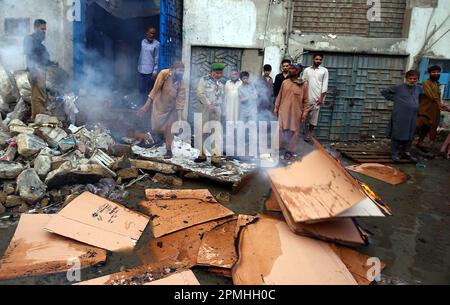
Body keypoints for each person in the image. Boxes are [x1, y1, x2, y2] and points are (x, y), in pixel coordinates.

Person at [137, 61, 186, 159]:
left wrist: (180, 119)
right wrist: (146, 105)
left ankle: (169, 150)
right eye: (179, 70)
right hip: (159, 107)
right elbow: (155, 89)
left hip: (171, 110)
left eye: (183, 71)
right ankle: (151, 138)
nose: (181, 73)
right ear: (173, 69)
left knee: (169, 129)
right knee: (157, 128)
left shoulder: (181, 82)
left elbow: (181, 101)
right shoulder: (164, 74)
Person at [381, 70, 422, 162]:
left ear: (417, 79)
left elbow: (421, 97)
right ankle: (394, 153)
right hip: (400, 114)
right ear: (406, 78)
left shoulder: (419, 88)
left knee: (410, 134)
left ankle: (407, 152)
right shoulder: (398, 87)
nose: (412, 80)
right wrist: (395, 99)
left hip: (413, 115)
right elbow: (384, 92)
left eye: (414, 79)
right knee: (398, 132)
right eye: (410, 78)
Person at [274, 64, 309, 160]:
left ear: (298, 71)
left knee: (294, 132)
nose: (290, 70)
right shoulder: (285, 82)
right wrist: (276, 108)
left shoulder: (303, 84)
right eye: (291, 68)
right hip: (283, 111)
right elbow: (279, 96)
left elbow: (306, 100)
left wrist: (305, 113)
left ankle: (290, 150)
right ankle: (277, 148)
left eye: (293, 69)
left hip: (296, 112)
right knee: (280, 130)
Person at [195, 63, 226, 166]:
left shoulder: (221, 83)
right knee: (202, 132)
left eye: (220, 73)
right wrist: (209, 104)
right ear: (211, 72)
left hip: (217, 109)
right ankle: (202, 155)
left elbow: (222, 97)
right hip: (205, 109)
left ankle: (215, 157)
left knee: (216, 132)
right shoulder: (203, 80)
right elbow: (200, 94)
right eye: (217, 73)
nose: (219, 75)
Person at [24, 19, 53, 119]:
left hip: (40, 71)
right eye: (42, 29)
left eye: (45, 29)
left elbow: (45, 59)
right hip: (36, 70)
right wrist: (33, 70)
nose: (44, 31)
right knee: (38, 97)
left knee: (39, 95)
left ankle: (37, 117)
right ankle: (39, 118)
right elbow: (29, 55)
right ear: (36, 28)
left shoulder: (40, 45)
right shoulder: (29, 39)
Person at [416, 65, 450, 151]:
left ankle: (419, 143)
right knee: (417, 126)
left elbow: (438, 97)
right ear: (429, 73)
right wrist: (440, 104)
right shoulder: (426, 83)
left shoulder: (437, 84)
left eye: (438, 72)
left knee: (427, 128)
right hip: (424, 109)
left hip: (434, 110)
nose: (436, 74)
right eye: (434, 72)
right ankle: (405, 146)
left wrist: (443, 106)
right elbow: (432, 96)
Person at [302, 53, 329, 142]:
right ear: (313, 59)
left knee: (313, 119)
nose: (318, 61)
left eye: (320, 59)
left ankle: (309, 133)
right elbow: (303, 82)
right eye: (317, 59)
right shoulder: (307, 70)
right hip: (306, 98)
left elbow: (325, 85)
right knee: (303, 116)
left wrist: (321, 98)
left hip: (317, 98)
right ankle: (302, 133)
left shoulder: (324, 71)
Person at [137, 27, 160, 104]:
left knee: (149, 90)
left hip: (150, 71)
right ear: (147, 33)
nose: (152, 35)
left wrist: (155, 71)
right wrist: (138, 67)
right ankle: (141, 104)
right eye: (150, 33)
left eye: (153, 33)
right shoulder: (142, 42)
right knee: (141, 88)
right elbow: (141, 55)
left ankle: (147, 106)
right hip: (141, 69)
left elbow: (157, 58)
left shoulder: (157, 44)